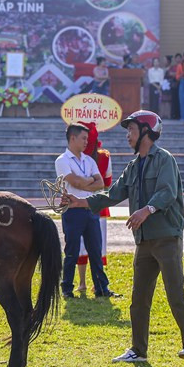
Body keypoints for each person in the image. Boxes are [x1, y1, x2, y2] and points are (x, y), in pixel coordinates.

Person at [63, 110, 184, 363]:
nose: (128, 135)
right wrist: (79, 202)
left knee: (175, 292)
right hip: (144, 241)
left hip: (167, 237)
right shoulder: (134, 166)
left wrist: (146, 210)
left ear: (146, 133)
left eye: (132, 130)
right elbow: (112, 194)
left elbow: (167, 192)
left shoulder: (164, 160)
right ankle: (138, 350)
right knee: (139, 299)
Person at [54, 123, 117, 299]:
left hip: (89, 208)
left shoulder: (88, 160)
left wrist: (85, 182)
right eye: (83, 138)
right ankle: (67, 288)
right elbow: (75, 182)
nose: (86, 142)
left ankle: (101, 288)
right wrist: (89, 181)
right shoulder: (62, 160)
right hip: (72, 210)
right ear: (72, 138)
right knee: (72, 250)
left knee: (95, 249)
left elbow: (101, 184)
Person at [75, 122, 113, 295]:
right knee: (97, 247)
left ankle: (81, 283)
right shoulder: (104, 156)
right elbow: (107, 182)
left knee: (80, 245)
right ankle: (97, 283)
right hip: (98, 205)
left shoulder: (75, 158)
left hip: (77, 204)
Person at [168, 53, 182, 120]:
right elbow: (170, 73)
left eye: (179, 58)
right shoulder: (173, 67)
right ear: (175, 59)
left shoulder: (183, 66)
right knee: (174, 100)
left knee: (180, 100)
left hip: (181, 85)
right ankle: (173, 115)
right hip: (174, 85)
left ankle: (179, 115)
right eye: (177, 58)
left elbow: (183, 74)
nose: (178, 59)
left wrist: (176, 74)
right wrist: (177, 74)